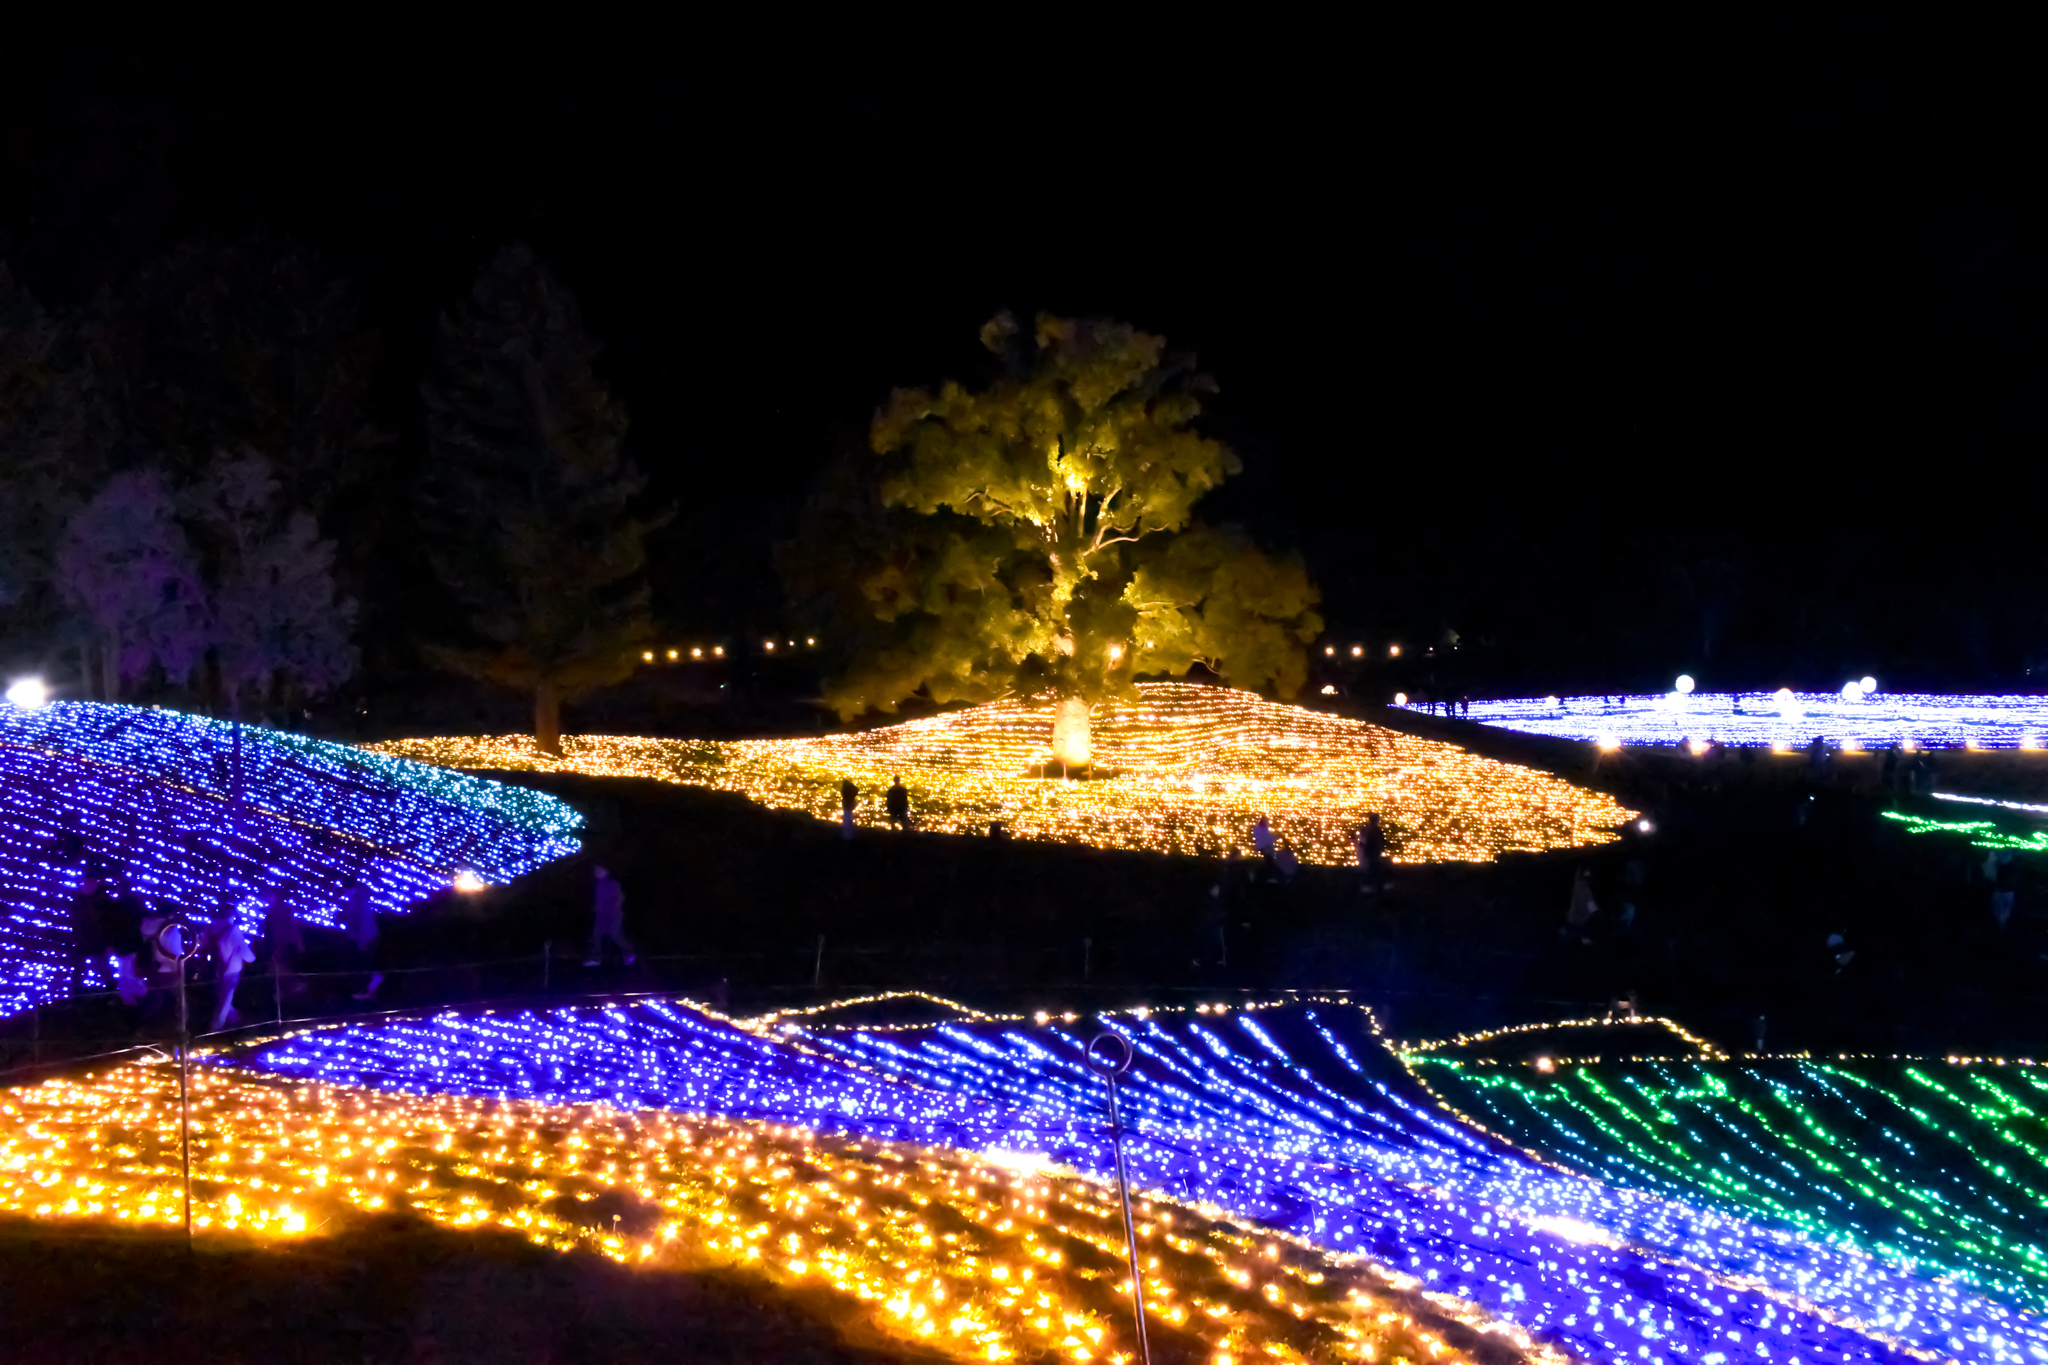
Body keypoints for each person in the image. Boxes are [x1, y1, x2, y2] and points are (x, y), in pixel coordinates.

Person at [201, 908, 256, 1032]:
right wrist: (252, 958)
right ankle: (215, 1028)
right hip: (231, 968)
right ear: (232, 915)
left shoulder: (209, 929)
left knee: (223, 995)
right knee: (225, 999)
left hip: (214, 968)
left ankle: (236, 1019)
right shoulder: (233, 930)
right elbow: (244, 951)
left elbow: (203, 946)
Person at [585, 864, 637, 966]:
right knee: (596, 934)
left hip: (613, 915)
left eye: (599, 871)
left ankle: (630, 953)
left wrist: (614, 911)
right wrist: (597, 907)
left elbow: (619, 898)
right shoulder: (599, 884)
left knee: (616, 935)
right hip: (601, 914)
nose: (596, 873)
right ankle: (596, 958)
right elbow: (599, 899)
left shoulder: (612, 883)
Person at [342, 884, 385, 1001]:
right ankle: (361, 989)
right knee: (359, 966)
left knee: (365, 965)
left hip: (366, 943)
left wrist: (364, 943)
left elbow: (368, 930)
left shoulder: (366, 914)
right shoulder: (353, 912)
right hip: (357, 943)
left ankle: (366, 989)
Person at [1564, 866, 1597, 942]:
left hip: (1575, 921)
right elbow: (1591, 907)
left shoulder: (1579, 887)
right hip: (1580, 922)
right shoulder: (1584, 890)